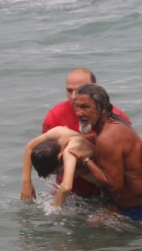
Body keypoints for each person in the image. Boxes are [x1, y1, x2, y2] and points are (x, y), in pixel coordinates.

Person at [67, 83, 142, 223]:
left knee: (92, 227)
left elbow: (115, 185)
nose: (79, 113)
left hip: (139, 209)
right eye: (76, 107)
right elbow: (97, 137)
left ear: (103, 108)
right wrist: (75, 140)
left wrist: (86, 161)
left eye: (85, 107)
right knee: (93, 223)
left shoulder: (107, 138)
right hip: (129, 204)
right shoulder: (115, 123)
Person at [42, 68, 131, 197]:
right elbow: (46, 162)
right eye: (69, 90)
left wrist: (82, 160)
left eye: (79, 90)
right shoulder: (54, 116)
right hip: (70, 193)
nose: (73, 97)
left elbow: (128, 167)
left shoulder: (117, 119)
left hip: (110, 192)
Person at [20, 126, 97, 207]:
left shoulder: (70, 152)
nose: (56, 174)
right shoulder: (59, 132)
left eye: (55, 172)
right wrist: (26, 182)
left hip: (106, 185)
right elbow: (30, 146)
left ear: (59, 157)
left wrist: (54, 208)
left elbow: (66, 187)